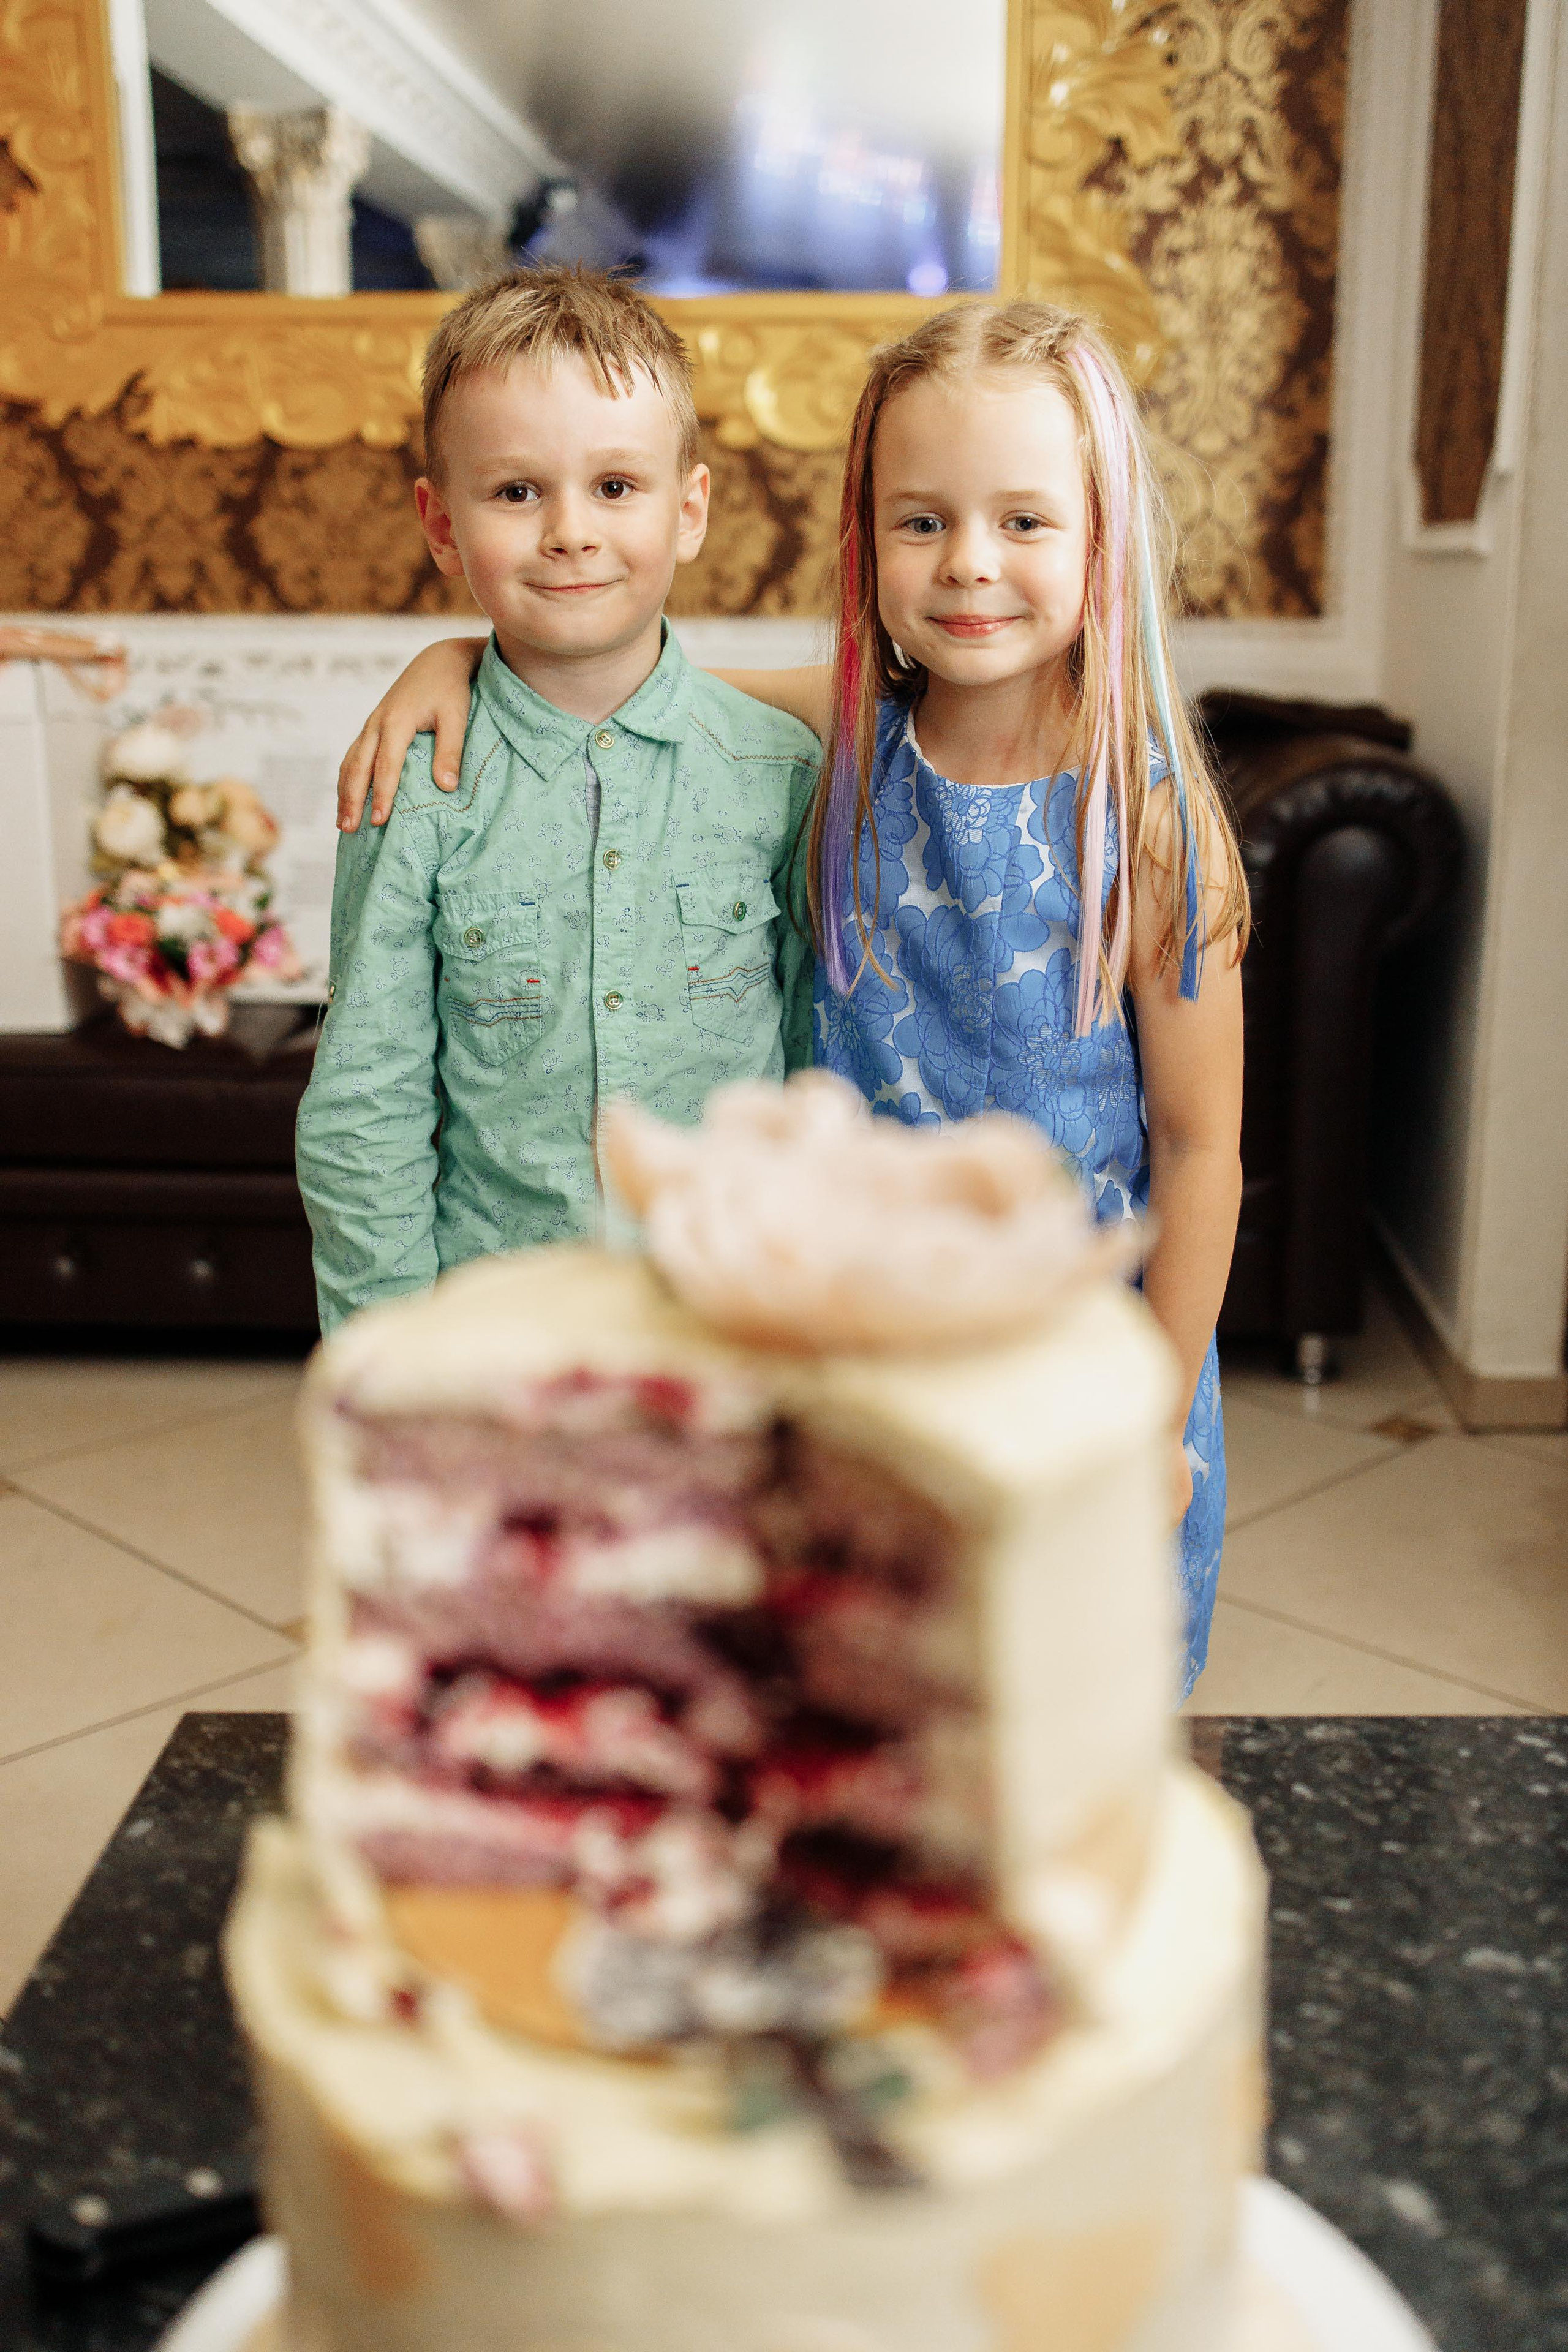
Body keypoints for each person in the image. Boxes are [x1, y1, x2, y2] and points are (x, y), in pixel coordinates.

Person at [335, 300, 1248, 1699]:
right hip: (848, 1368)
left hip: (1072, 1375)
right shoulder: (834, 746)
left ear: (1103, 534)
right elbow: (615, 686)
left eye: (1023, 520)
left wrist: (1153, 1418)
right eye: (920, 522)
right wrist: (449, 657)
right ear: (865, 538)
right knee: (860, 1718)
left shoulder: (1143, 818)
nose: (969, 567)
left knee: (1062, 1725)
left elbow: (1200, 1152)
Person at [300, 268, 820, 1334]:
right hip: (502, 1331)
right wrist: (392, 1362)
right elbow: (366, 1107)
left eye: (616, 488)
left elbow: (820, 1070)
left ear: (690, 511)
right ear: (443, 527)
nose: (571, 533)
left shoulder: (780, 774)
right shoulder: (417, 788)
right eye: (517, 492)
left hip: (734, 1322)